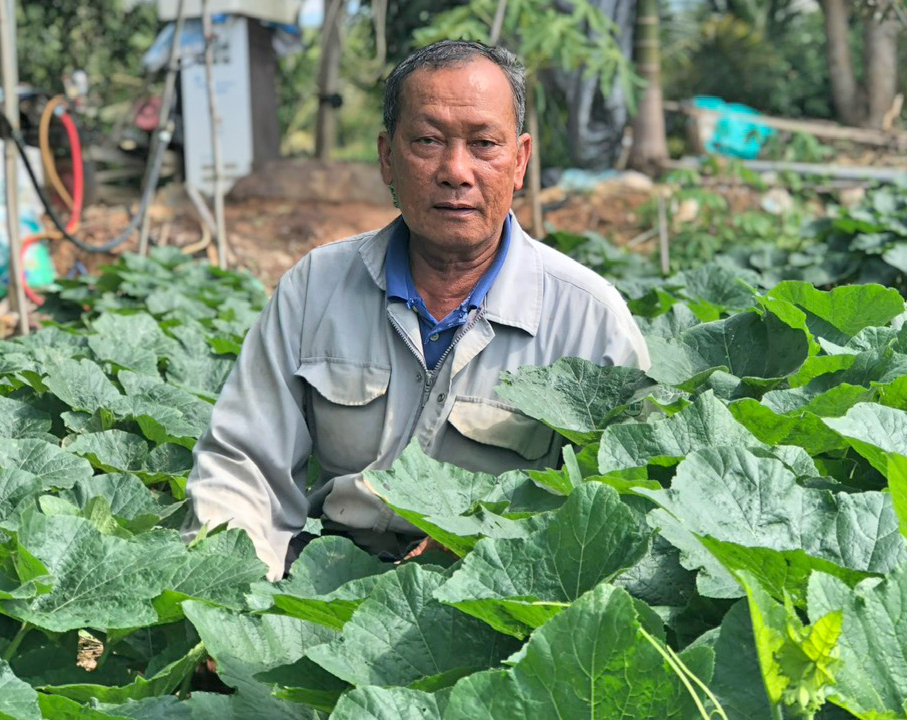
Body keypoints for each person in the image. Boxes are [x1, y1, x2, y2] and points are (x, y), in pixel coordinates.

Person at [181, 40, 650, 579]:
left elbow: (621, 506)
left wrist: (494, 553)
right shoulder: (317, 286)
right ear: (387, 157)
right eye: (427, 141)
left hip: (495, 594)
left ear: (520, 161)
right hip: (325, 578)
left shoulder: (590, 320)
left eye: (483, 144)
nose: (455, 170)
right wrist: (236, 587)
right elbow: (243, 464)